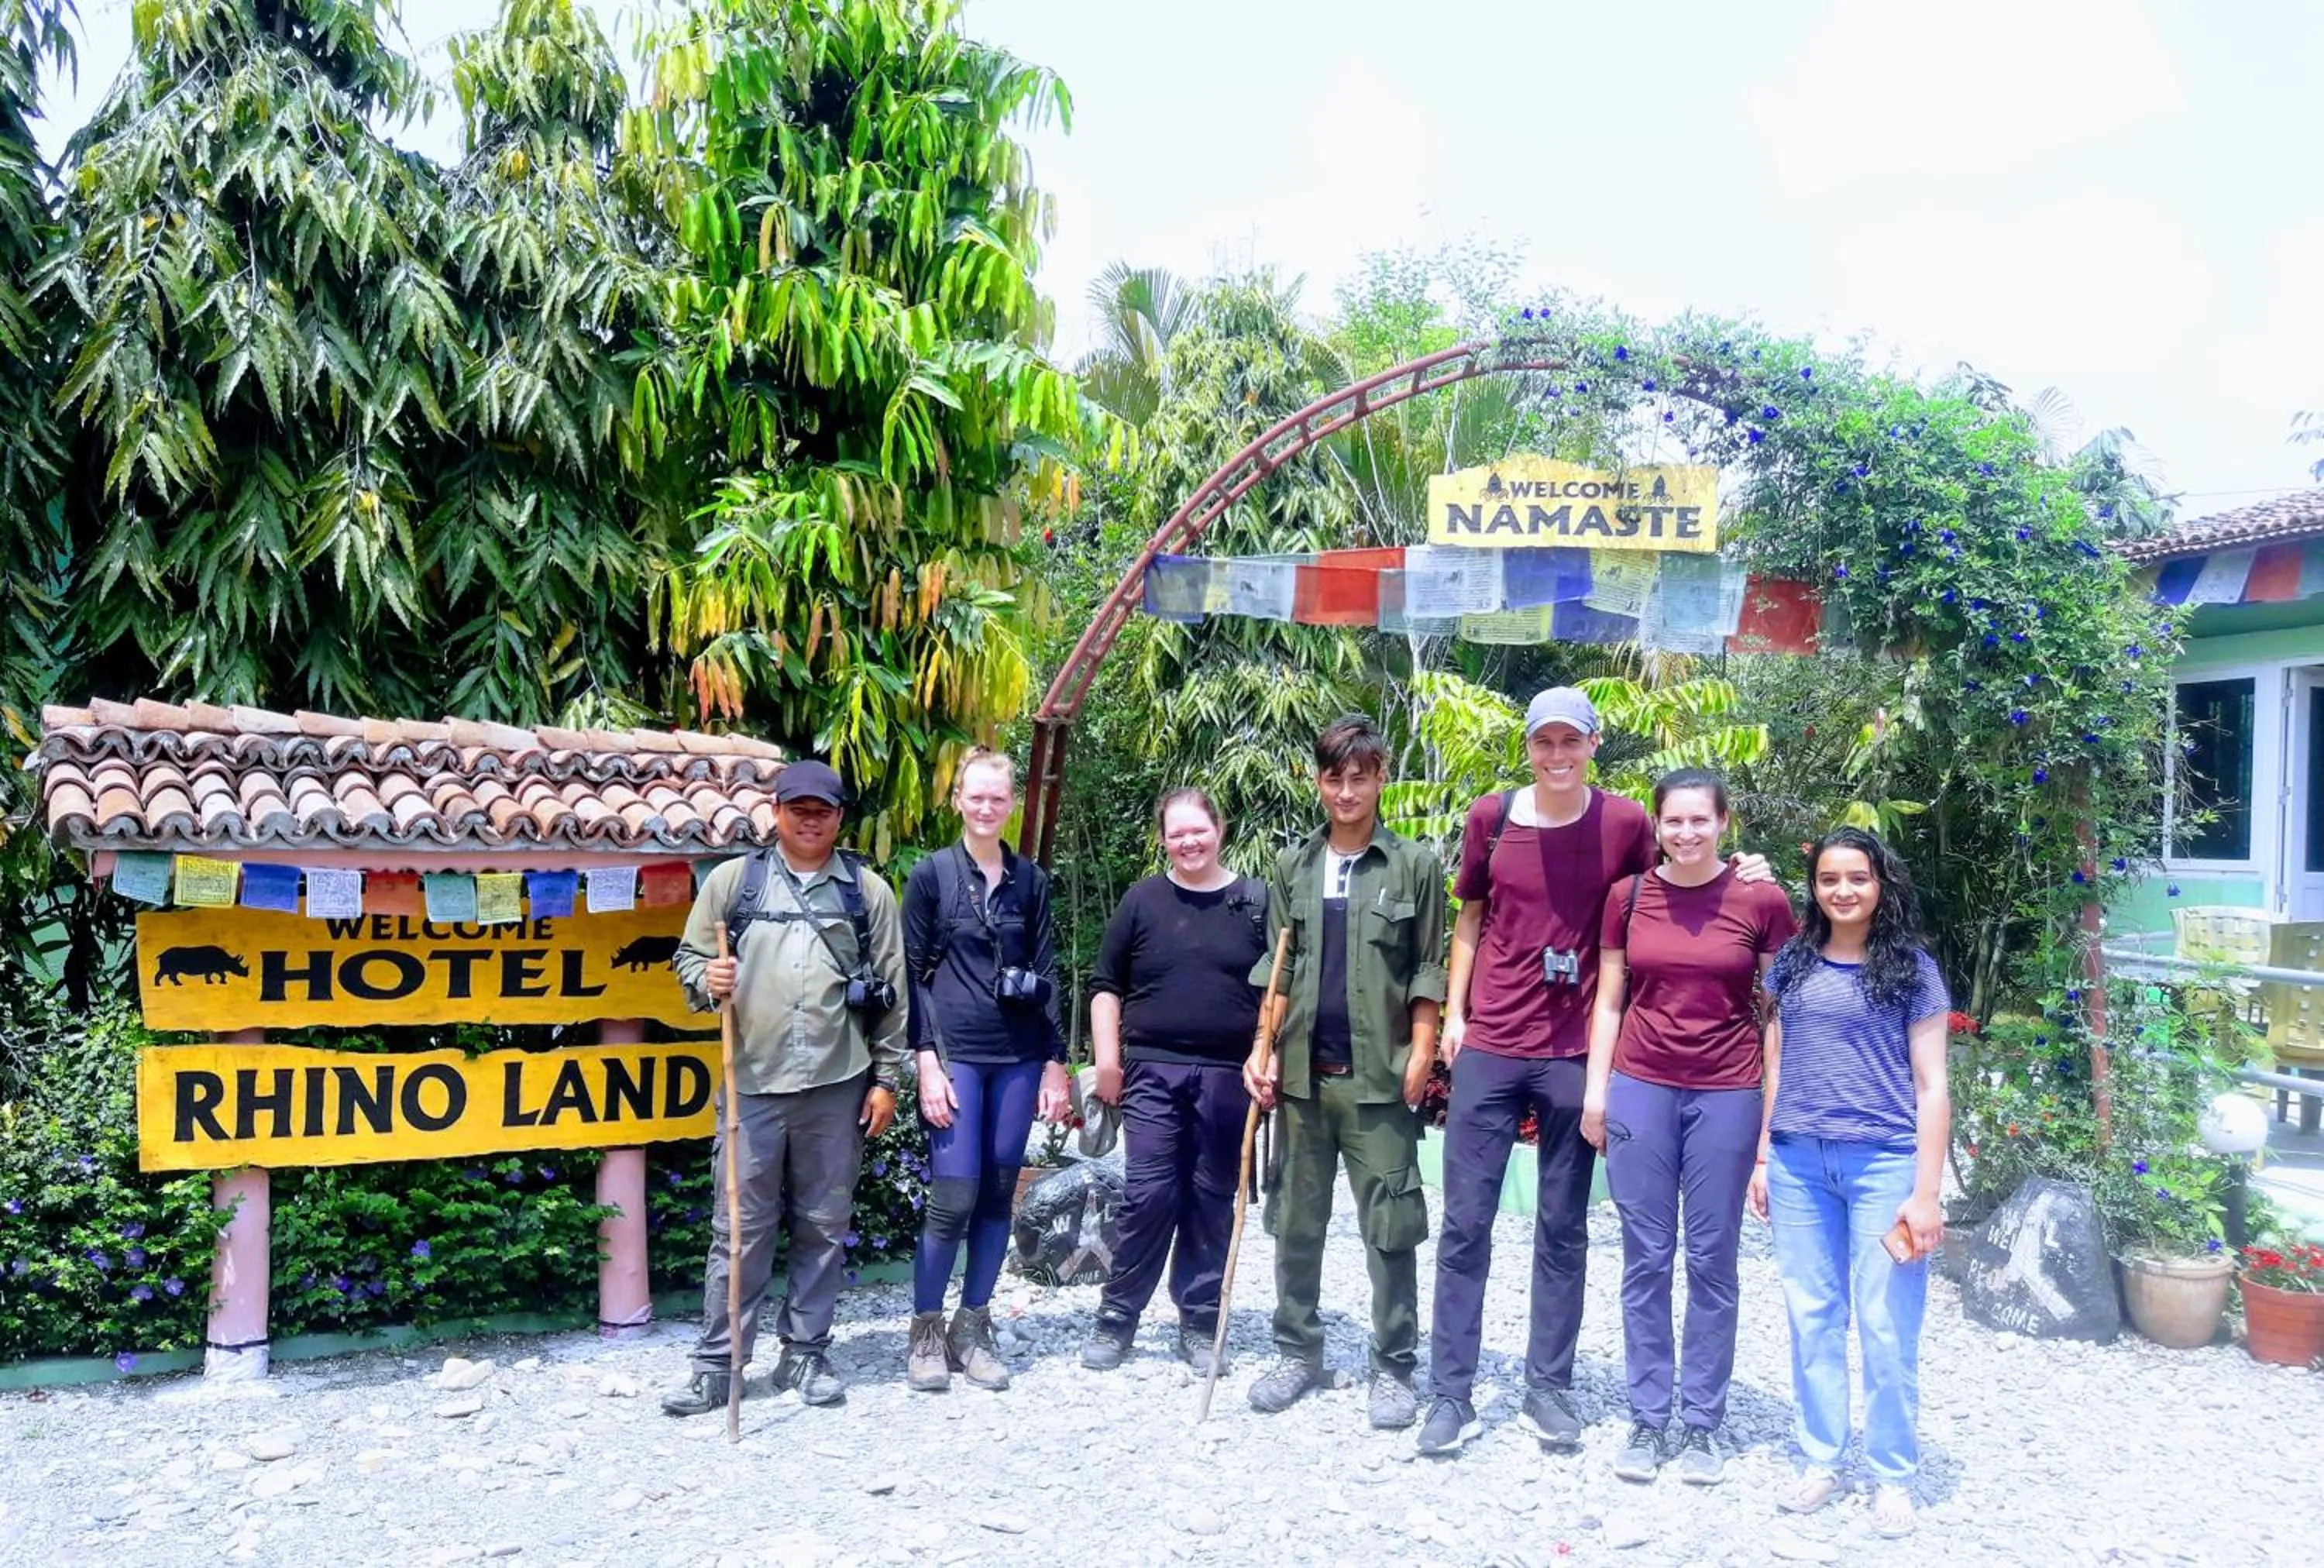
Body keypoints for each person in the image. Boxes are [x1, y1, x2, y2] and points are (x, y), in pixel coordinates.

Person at [1421, 689, 1772, 1460]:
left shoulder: (1622, 823)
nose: (1556, 755)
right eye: (1543, 742)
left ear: (1593, 744)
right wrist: (1455, 1014)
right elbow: (1469, 919)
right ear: (1528, 746)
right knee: (1465, 1222)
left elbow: (1683, 878)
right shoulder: (1491, 816)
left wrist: (1746, 869)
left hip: (1578, 1047)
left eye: (1570, 742)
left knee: (1563, 1225)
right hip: (1493, 1041)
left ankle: (1549, 1387)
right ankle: (1451, 1391)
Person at [662, 759, 907, 1416]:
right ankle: (720, 1365)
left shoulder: (867, 892)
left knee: (825, 1225)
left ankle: (805, 1353)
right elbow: (687, 958)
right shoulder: (735, 884)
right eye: (797, 807)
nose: (809, 818)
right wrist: (705, 979)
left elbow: (893, 992)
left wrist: (887, 1078)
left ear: (838, 817)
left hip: (838, 1081)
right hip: (753, 1083)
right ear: (776, 811)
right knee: (738, 1230)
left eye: (822, 809)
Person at [1581, 768, 1795, 1487]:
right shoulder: (1629, 896)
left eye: (1701, 820)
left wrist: (1770, 1126)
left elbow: (1777, 1018)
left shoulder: (1761, 900)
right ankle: (1648, 1416)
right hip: (1640, 1087)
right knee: (1645, 1258)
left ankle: (1702, 1422)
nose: (1687, 833)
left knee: (1712, 1260)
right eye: (1674, 821)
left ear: (1724, 823)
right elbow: (1610, 998)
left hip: (1726, 1093)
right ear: (1659, 826)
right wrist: (1597, 1092)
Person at [1245, 714, 1446, 1429]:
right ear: (1319, 780)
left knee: (1390, 1227)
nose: (1348, 789)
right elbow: (1280, 968)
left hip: (1379, 1084)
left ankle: (1393, 1366)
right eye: (1336, 775)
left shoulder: (1415, 865)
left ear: (1381, 777)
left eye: (1362, 775)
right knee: (1295, 1224)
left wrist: (1422, 1051)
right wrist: (1261, 1049)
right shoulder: (1295, 865)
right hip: (1300, 1082)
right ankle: (1298, 1352)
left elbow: (1427, 965)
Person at [1752, 827, 1951, 1539]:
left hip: (1883, 1166)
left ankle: (1893, 1473)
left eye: (1857, 878)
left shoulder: (1913, 970)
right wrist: (1764, 1157)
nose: (1843, 890)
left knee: (1885, 1324)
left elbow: (1933, 1087)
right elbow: (1775, 1064)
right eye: (1829, 878)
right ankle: (1821, 1460)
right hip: (1800, 1162)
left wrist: (1925, 1194)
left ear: (1879, 883)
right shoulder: (1791, 965)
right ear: (1815, 886)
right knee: (1812, 1316)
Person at [1081, 787, 1267, 1373]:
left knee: (1213, 1196)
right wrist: (1108, 1061)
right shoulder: (1143, 901)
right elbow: (1105, 984)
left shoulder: (1256, 902)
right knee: (1150, 1193)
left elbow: (1277, 993)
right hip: (1152, 1069)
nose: (1188, 842)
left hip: (1227, 1074)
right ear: (1163, 839)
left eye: (1198, 830)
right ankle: (1118, 1317)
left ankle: (1200, 1317)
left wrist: (1269, 1054)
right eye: (1176, 833)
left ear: (1220, 828)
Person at [901, 747, 1068, 1393]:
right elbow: (913, 976)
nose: (988, 807)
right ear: (958, 800)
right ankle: (926, 1332)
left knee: (999, 1194)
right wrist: (926, 1064)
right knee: (953, 1197)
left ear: (1010, 803)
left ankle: (974, 1327)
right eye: (977, 796)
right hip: (957, 1055)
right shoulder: (933, 875)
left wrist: (1056, 1064)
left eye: (999, 797)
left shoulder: (1030, 882)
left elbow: (1049, 977)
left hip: (1019, 1057)